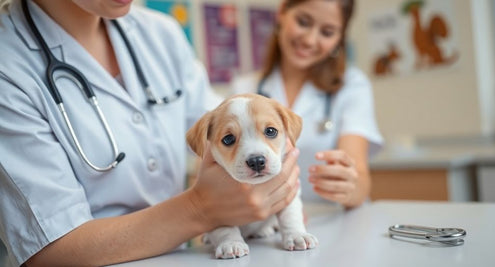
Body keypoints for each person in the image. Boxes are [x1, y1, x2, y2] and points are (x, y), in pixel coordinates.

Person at [0, 0, 301, 266]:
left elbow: (225, 131)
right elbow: (48, 251)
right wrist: (200, 208)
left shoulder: (161, 34)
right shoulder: (9, 64)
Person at [232, 0, 383, 209]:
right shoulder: (244, 88)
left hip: (334, 219)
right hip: (267, 225)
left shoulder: (352, 85)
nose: (310, 40)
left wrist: (350, 185)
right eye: (303, 22)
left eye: (327, 32)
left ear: (340, 38)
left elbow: (361, 181)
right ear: (283, 11)